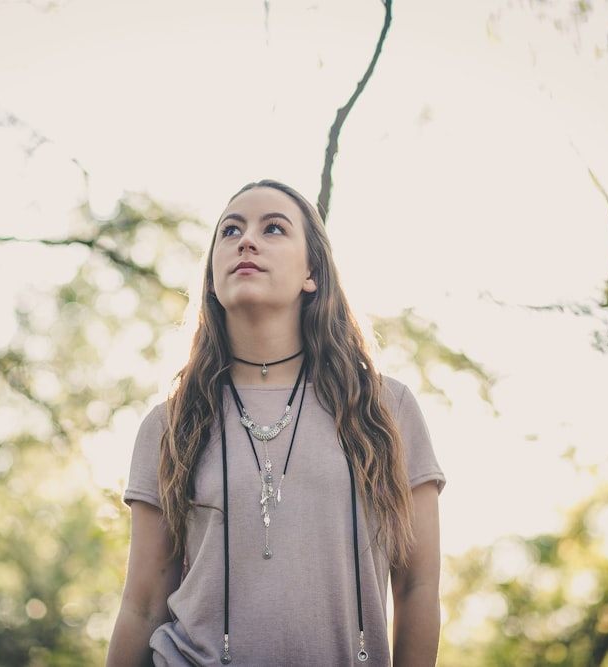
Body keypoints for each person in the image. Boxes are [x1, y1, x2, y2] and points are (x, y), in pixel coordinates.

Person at [107, 179, 445, 666]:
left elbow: (417, 586)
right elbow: (141, 608)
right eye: (230, 231)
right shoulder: (169, 424)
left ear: (312, 271)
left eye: (273, 228)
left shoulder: (385, 409)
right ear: (211, 278)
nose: (246, 240)